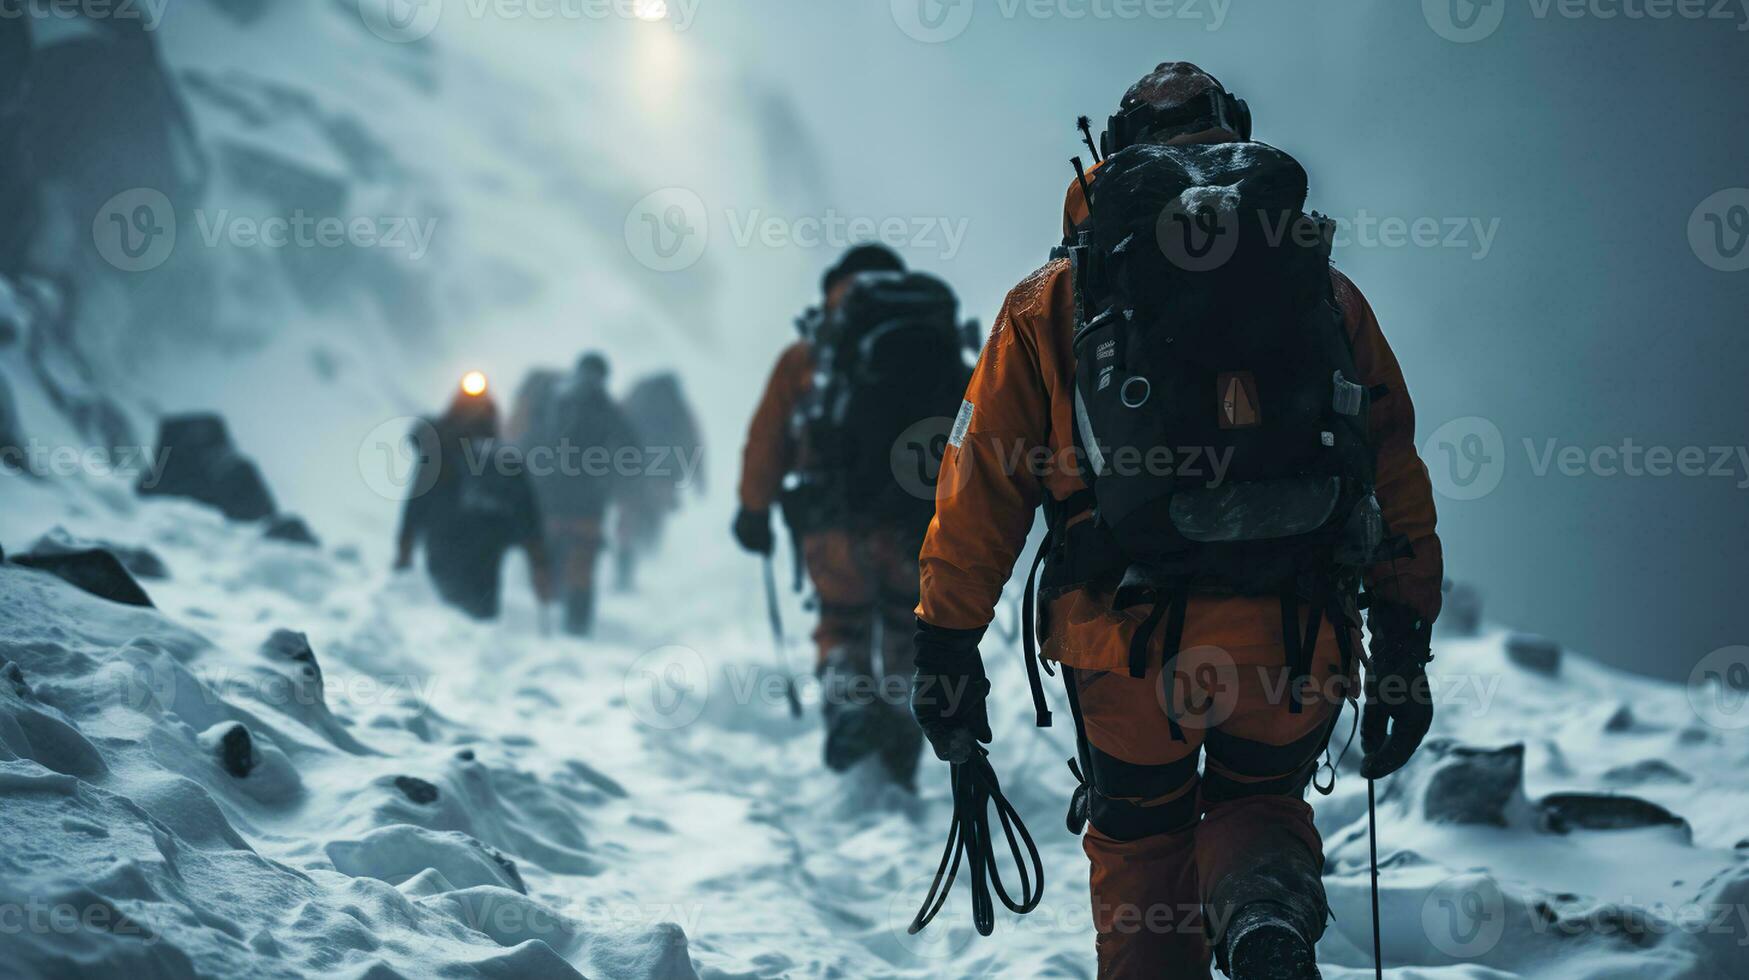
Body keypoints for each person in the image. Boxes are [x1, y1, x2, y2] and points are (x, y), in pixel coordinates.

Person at [908, 63, 1443, 978]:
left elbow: (982, 485)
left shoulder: (1048, 302)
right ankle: (1263, 914)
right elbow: (1388, 467)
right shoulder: (1323, 292)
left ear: (1110, 158)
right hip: (1294, 634)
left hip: (1126, 647)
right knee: (1261, 807)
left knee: (1142, 844)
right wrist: (1401, 639)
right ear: (1231, 135)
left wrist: (945, 646)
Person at [736, 244, 970, 790]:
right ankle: (899, 757)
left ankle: (849, 706)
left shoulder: (809, 353)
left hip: (832, 523)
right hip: (918, 525)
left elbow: (767, 438)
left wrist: (754, 510)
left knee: (841, 624)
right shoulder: (935, 341)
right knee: (905, 635)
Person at [396, 374, 551, 620]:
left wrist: (405, 549)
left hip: (464, 541)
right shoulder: (453, 452)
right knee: (462, 612)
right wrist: (538, 561)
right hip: (469, 542)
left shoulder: (488, 457)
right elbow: (527, 512)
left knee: (458, 612)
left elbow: (525, 509)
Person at [522, 352, 641, 637]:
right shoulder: (608, 408)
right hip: (589, 503)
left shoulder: (553, 401)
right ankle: (577, 629)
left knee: (549, 558)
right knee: (581, 565)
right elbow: (632, 453)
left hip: (548, 498)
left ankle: (546, 620)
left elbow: (528, 442)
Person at [614, 371, 705, 591]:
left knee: (628, 520)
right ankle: (650, 561)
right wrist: (698, 478)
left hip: (632, 472)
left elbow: (613, 429)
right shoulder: (678, 408)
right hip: (664, 475)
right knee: (654, 518)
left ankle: (624, 572)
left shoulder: (634, 399)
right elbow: (692, 440)